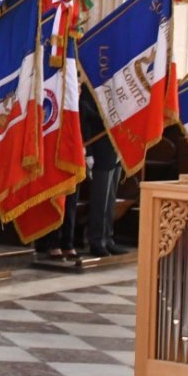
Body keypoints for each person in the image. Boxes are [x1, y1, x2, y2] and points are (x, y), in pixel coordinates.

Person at [83, 86, 128, 256]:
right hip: (100, 147)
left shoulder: (118, 83)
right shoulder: (92, 84)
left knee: (110, 199)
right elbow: (87, 119)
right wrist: (90, 152)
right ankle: (96, 240)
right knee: (100, 199)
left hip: (116, 145)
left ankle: (108, 238)